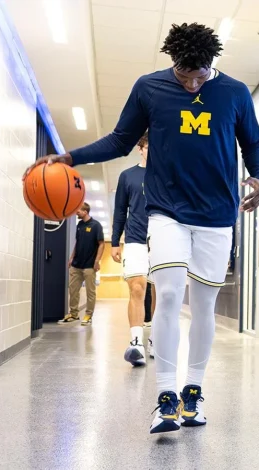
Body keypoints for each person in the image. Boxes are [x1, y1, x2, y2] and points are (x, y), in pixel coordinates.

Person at [25, 23, 259, 434]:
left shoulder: (236, 93)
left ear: (212, 65)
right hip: (166, 210)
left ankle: (194, 392)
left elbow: (253, 145)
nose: (192, 84)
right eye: (183, 75)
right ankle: (166, 396)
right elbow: (120, 140)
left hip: (218, 214)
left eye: (200, 76)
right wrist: (69, 156)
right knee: (170, 294)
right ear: (172, 64)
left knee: (205, 306)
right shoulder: (149, 88)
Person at [111, 131, 153, 366]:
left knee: (160, 292)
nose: (152, 150)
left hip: (162, 240)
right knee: (137, 288)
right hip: (136, 238)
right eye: (148, 146)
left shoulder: (168, 175)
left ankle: (156, 338)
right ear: (140, 148)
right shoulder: (127, 176)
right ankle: (136, 343)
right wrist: (115, 241)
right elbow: (120, 211)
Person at [59, 203, 104, 325]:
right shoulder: (79, 225)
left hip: (89, 265)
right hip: (76, 264)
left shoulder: (96, 226)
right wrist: (71, 258)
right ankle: (73, 314)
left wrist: (97, 261)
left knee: (90, 292)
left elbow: (101, 244)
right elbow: (77, 242)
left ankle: (88, 315)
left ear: (85, 211)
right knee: (73, 290)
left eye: (78, 210)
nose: (76, 212)